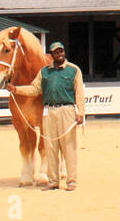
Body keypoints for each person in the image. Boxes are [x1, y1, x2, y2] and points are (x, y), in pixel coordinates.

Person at [9, 41, 86, 190]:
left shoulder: (73, 70)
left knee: (68, 147)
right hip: (49, 111)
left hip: (67, 110)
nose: (59, 54)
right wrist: (16, 89)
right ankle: (52, 181)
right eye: (56, 52)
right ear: (51, 55)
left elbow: (79, 93)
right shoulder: (44, 72)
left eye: (61, 51)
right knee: (50, 147)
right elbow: (34, 89)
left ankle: (71, 181)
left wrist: (80, 113)